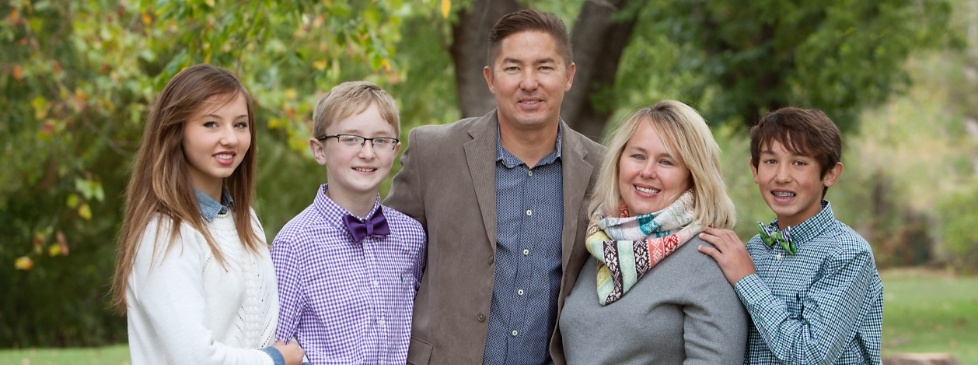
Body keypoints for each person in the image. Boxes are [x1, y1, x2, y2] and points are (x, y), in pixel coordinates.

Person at [385, 9, 606, 365]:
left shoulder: (602, 170)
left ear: (569, 75)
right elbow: (381, 260)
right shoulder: (433, 153)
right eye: (513, 67)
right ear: (490, 78)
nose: (529, 82)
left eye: (545, 67)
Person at [110, 64, 304, 365]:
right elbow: (194, 357)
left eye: (240, 125)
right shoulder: (165, 233)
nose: (230, 138)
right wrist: (275, 360)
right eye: (211, 124)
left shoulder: (244, 220)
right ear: (176, 131)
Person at [558, 100, 748, 364]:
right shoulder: (600, 243)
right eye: (638, 156)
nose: (647, 172)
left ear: (693, 175)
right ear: (619, 161)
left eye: (666, 162)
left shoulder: (707, 257)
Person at [698, 107, 883, 364]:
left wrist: (747, 280)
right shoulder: (751, 252)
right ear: (755, 170)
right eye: (770, 161)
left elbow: (811, 354)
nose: (782, 177)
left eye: (799, 163)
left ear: (830, 174)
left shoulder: (847, 254)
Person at [270, 81, 426, 364]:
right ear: (319, 150)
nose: (367, 153)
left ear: (395, 150)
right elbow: (278, 346)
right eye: (350, 138)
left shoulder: (411, 236)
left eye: (380, 140)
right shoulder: (294, 244)